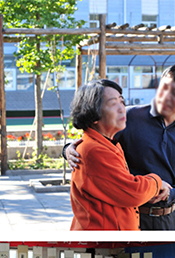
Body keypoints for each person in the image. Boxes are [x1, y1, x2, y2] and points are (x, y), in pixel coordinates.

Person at [65, 63, 175, 230]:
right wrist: (68, 149)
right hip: (129, 212)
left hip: (166, 218)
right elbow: (94, 139)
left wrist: (170, 194)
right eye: (163, 88)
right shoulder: (127, 117)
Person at [68, 79, 168, 230]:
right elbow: (133, 193)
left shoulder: (108, 143)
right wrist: (157, 181)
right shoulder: (93, 150)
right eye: (113, 103)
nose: (122, 108)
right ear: (92, 113)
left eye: (122, 102)